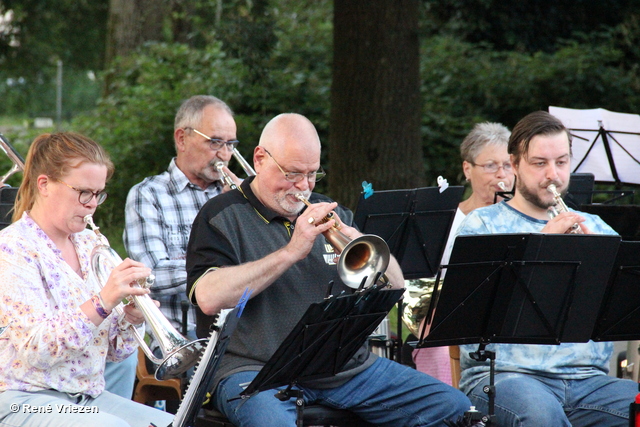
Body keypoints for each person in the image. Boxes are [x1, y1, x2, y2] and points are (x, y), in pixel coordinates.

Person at [186, 113, 471, 427]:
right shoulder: (220, 215)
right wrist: (291, 252)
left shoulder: (332, 210)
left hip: (343, 368)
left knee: (453, 407)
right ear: (260, 158)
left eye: (312, 174)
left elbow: (395, 285)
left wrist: (363, 243)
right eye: (293, 173)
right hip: (254, 372)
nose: (304, 187)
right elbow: (209, 297)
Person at [456, 111, 637, 426]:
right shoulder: (482, 225)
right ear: (514, 165)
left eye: (561, 162)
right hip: (506, 377)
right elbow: (472, 324)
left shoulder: (599, 229)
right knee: (541, 416)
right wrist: (541, 248)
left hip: (588, 381)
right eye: (540, 163)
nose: (552, 175)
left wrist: (605, 266)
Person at [0, 132, 174, 427]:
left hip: (85, 395)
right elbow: (37, 350)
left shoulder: (92, 244)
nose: (92, 204)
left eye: (98, 194)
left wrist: (132, 318)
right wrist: (103, 301)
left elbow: (118, 353)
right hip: (23, 398)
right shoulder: (12, 248)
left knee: (172, 424)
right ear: (44, 184)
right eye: (83, 192)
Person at [124, 95, 242, 337]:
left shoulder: (237, 196)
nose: (224, 154)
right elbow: (151, 274)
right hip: (183, 335)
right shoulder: (148, 195)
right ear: (182, 139)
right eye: (215, 142)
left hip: (242, 330)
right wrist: (220, 276)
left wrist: (239, 210)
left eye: (231, 144)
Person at [412, 122, 514, 384]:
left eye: (507, 165)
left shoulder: (523, 220)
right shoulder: (447, 220)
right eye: (490, 165)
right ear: (467, 169)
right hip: (449, 324)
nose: (501, 174)